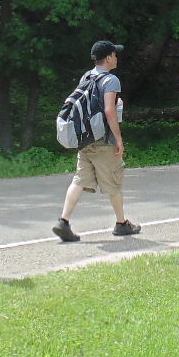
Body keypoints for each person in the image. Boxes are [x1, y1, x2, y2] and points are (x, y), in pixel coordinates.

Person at [53, 40, 141, 242]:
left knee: (79, 180)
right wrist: (118, 139)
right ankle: (121, 224)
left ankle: (63, 221)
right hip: (103, 141)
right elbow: (109, 111)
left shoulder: (87, 76)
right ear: (108, 58)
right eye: (115, 54)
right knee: (114, 182)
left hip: (85, 140)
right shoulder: (111, 80)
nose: (117, 57)